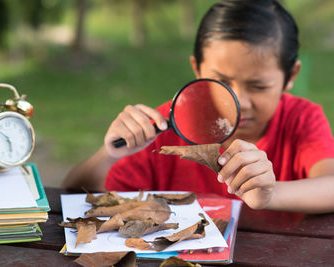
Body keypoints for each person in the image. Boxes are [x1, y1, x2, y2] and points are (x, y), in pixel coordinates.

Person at [62, 0, 334, 214]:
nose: (240, 102)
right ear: (197, 68)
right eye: (222, 81)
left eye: (259, 86)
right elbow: (75, 193)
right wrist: (108, 155)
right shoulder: (166, 126)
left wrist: (271, 193)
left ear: (291, 76)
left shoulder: (302, 119)